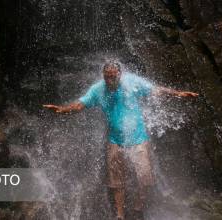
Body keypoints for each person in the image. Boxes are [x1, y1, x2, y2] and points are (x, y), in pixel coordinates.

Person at [43, 61, 198, 220]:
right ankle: (120, 215)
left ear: (120, 74)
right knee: (117, 182)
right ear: (103, 76)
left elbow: (155, 90)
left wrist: (178, 93)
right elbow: (79, 105)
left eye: (113, 76)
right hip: (115, 141)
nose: (110, 80)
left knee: (146, 180)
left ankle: (138, 208)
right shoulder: (97, 90)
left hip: (139, 139)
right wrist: (62, 109)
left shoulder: (132, 82)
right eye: (107, 77)